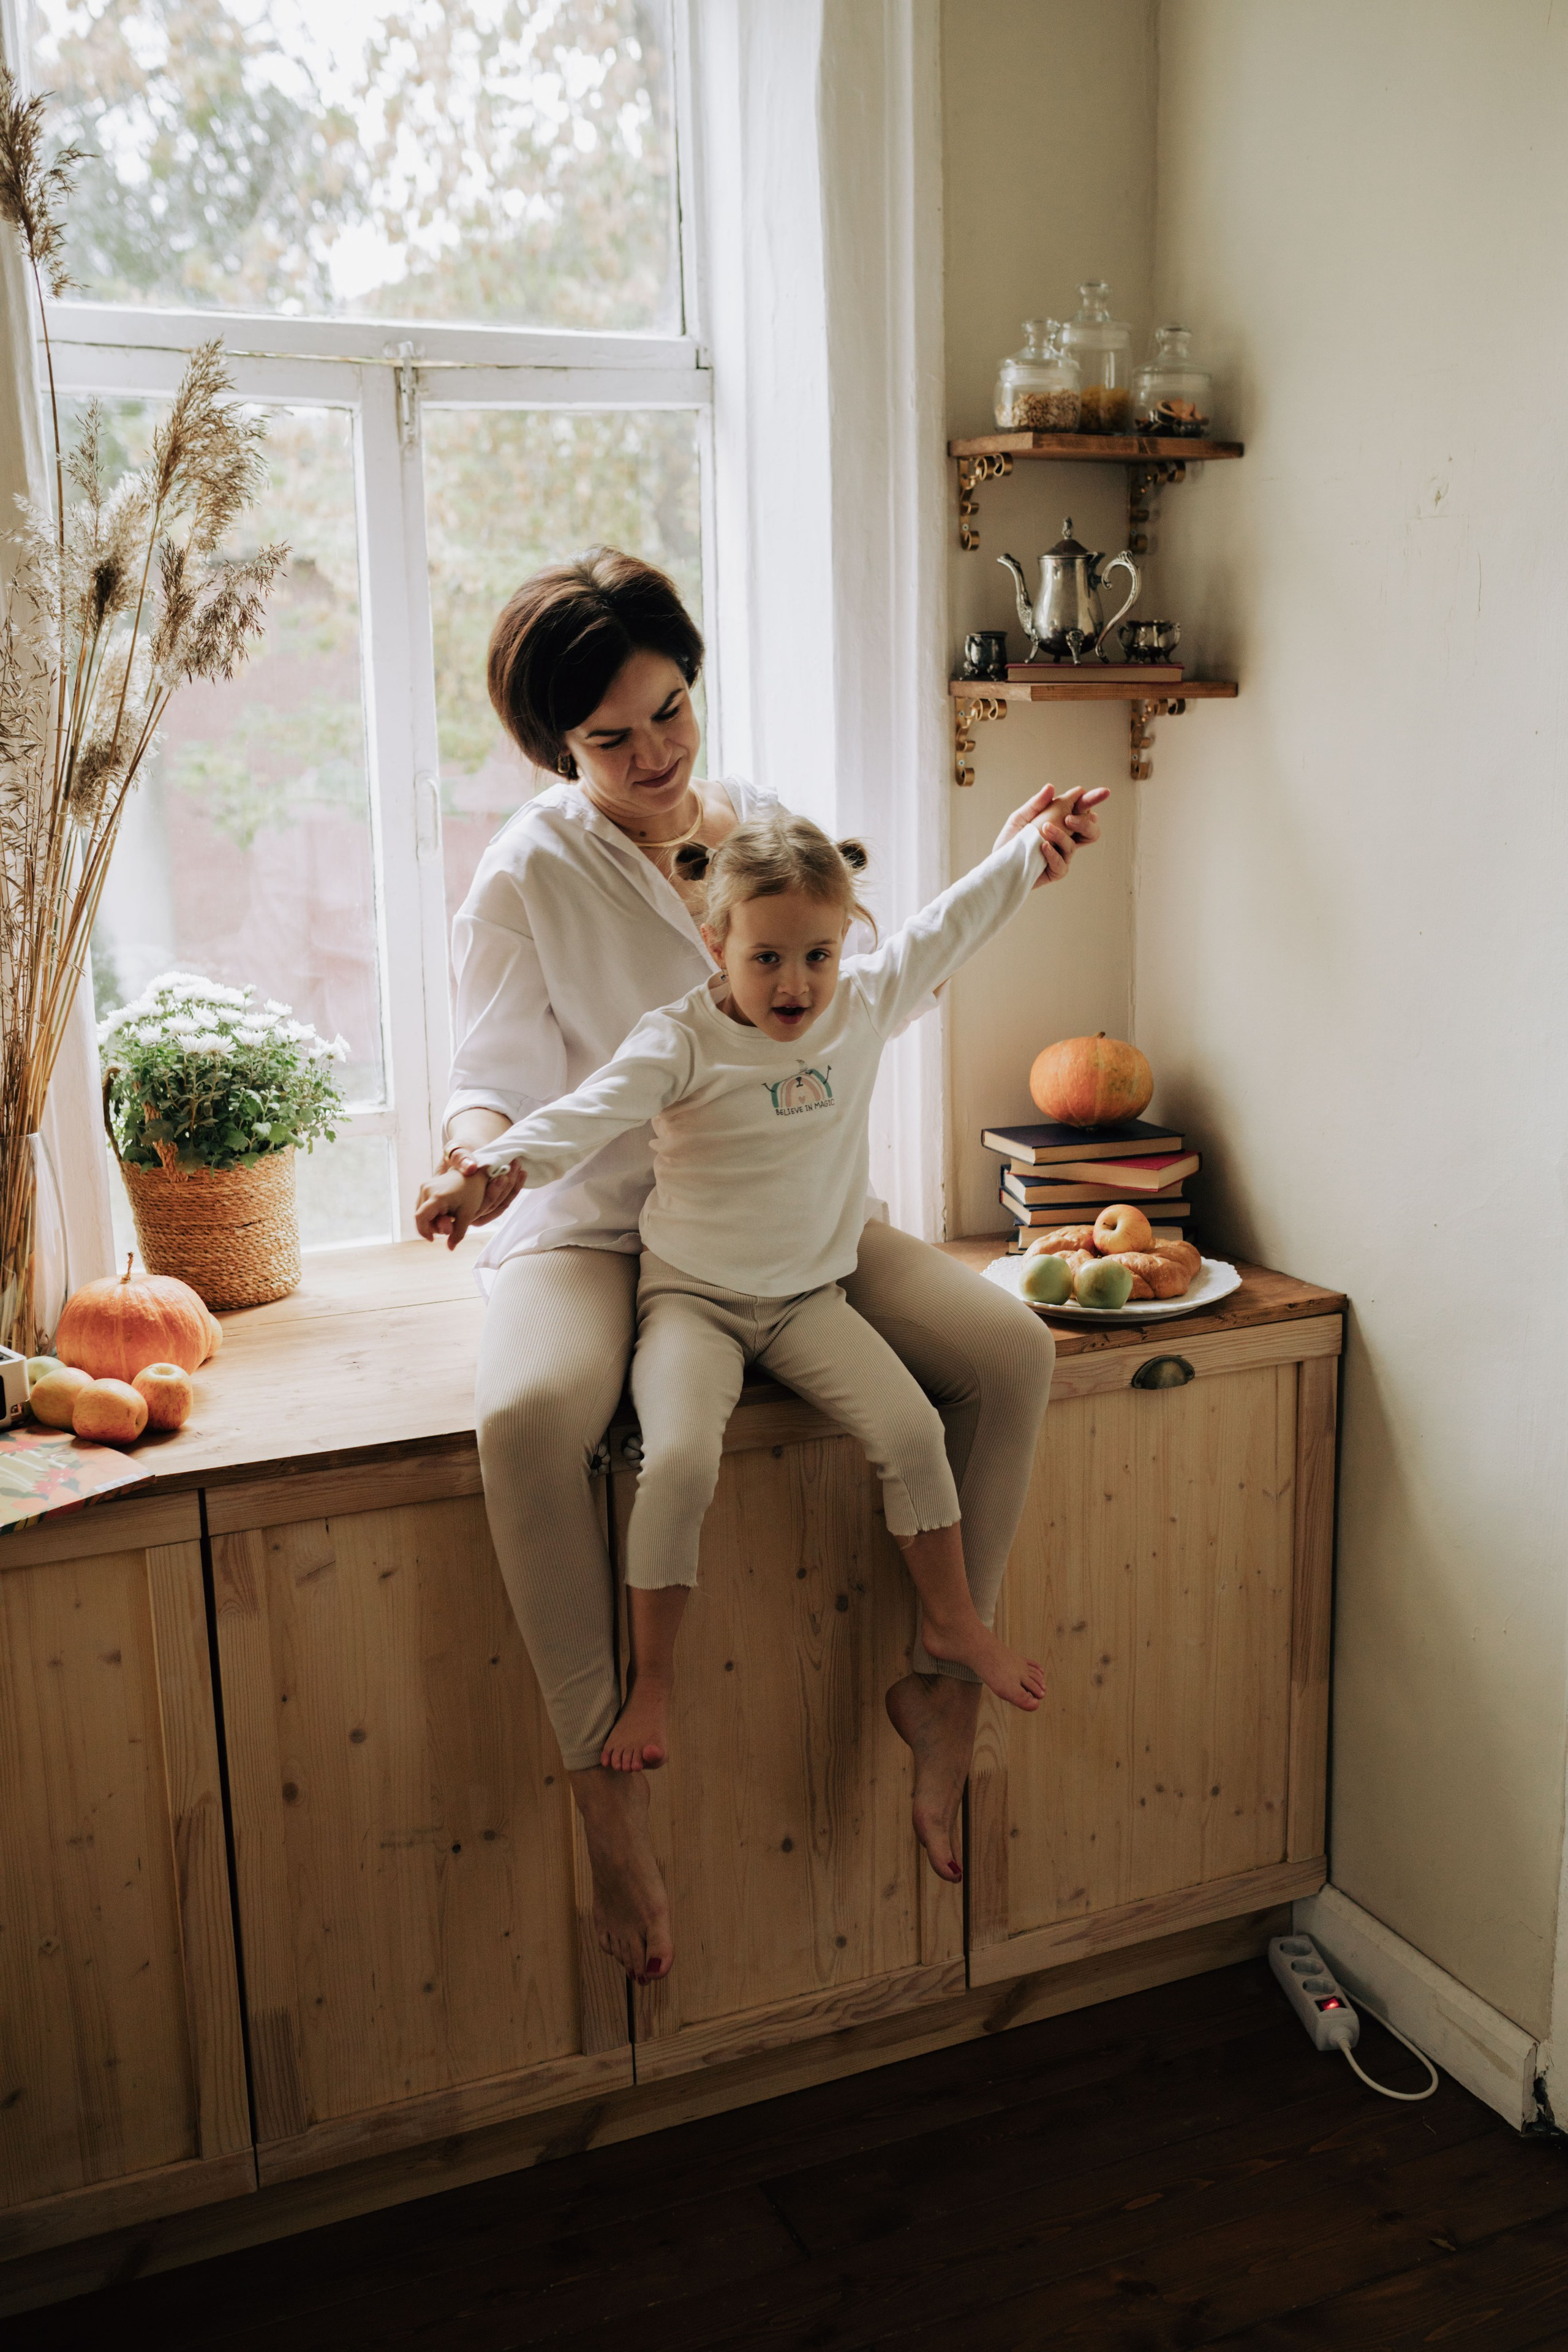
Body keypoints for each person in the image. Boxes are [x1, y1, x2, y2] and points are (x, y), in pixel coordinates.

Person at [413, 547, 1104, 1987]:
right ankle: (605, 1773)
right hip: (603, 1222)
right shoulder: (523, 874)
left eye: (672, 710)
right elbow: (486, 1078)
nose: (656, 754)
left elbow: (885, 967)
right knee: (529, 1419)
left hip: (788, 1217)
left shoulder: (771, 833)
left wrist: (1019, 859)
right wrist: (473, 1166)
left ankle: (937, 1691)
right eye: (612, 738)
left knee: (1010, 1353)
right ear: (554, 748)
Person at [418, 802, 1096, 1773]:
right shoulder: (680, 1040)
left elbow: (950, 924)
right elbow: (583, 1113)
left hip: (810, 1303)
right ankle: (653, 1682)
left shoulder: (859, 1003)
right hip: (692, 1305)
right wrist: (480, 1171)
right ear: (716, 943)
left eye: (818, 955)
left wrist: (1029, 852)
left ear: (845, 943)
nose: (797, 983)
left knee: (911, 1434)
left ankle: (951, 1626)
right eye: (769, 957)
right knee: (683, 1460)